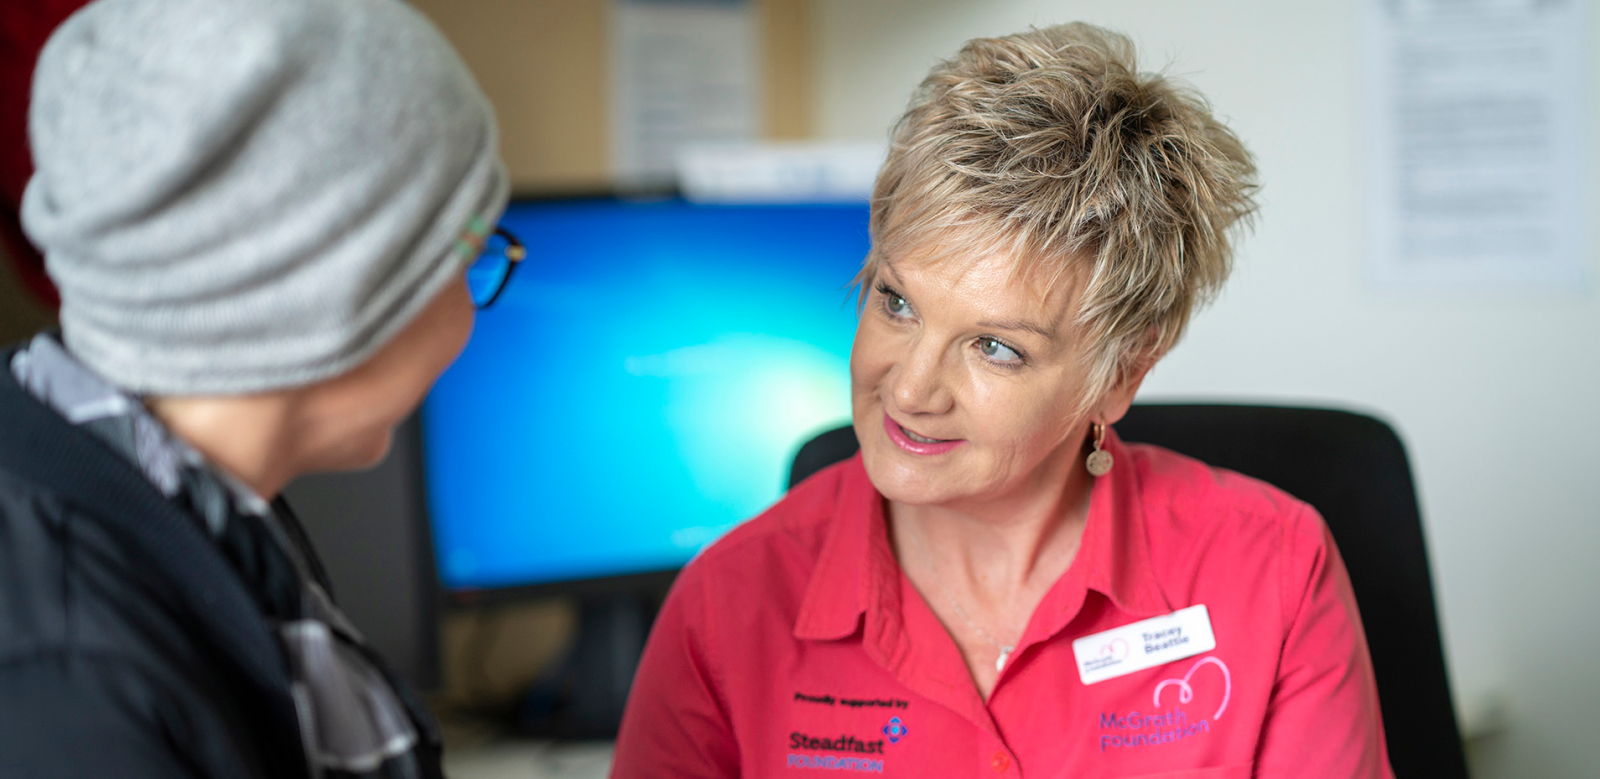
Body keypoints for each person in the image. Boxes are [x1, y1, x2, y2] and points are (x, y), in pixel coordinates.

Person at [612, 22, 1391, 778]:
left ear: (1121, 375)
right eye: (897, 303)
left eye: (996, 348)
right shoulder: (723, 608)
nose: (910, 387)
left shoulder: (1275, 572)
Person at [0, 0, 521, 776]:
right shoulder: (75, 680)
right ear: (339, 288)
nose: (480, 288)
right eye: (475, 252)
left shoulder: (189, 500)